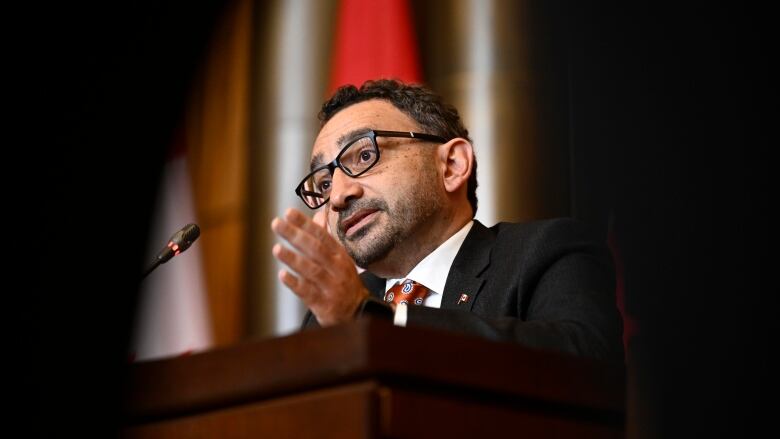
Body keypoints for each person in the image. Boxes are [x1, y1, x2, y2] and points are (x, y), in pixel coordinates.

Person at [271, 79, 623, 361]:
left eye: (364, 154)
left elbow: (586, 362)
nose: (338, 196)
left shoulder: (546, 252)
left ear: (452, 165)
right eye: (325, 182)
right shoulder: (328, 317)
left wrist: (375, 320)